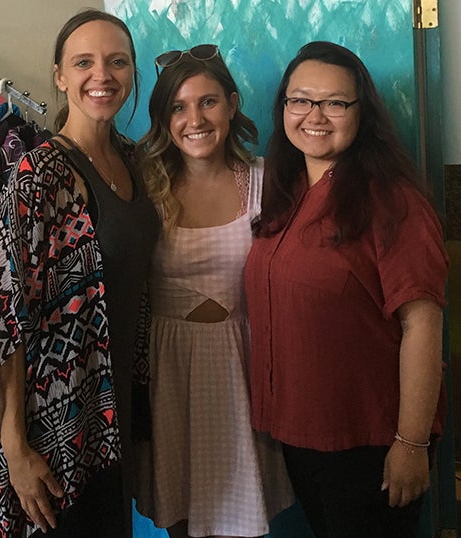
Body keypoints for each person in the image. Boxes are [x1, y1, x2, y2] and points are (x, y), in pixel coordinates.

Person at [244, 41, 449, 538]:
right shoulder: (285, 192)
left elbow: (422, 322)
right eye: (300, 100)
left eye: (335, 102)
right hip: (300, 434)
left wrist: (411, 444)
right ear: (284, 108)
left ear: (362, 113)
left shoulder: (391, 200)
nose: (315, 115)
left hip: (370, 440)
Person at [0, 9, 159, 538]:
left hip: (112, 414)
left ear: (131, 74)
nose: (101, 76)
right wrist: (15, 448)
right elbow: (4, 316)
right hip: (52, 426)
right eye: (84, 62)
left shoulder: (134, 162)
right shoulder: (39, 175)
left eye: (117, 62)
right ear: (59, 76)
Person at [135, 45, 293, 538]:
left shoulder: (268, 181)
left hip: (240, 366)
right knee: (181, 517)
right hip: (169, 369)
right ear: (163, 119)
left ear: (232, 103)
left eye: (207, 102)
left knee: (239, 517)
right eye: (178, 107)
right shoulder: (143, 186)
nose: (194, 119)